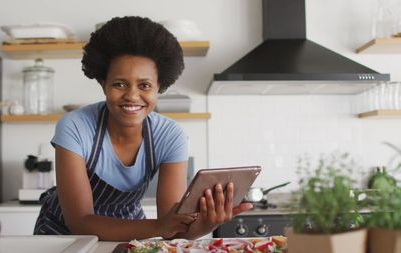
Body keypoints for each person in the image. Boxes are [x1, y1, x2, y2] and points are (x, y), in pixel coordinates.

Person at [33, 16, 252, 241]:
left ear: (159, 87)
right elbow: (81, 221)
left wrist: (206, 223)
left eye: (145, 85)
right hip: (62, 236)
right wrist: (158, 227)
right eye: (120, 84)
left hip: (131, 232)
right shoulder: (75, 127)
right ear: (103, 84)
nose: (132, 96)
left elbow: (173, 227)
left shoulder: (170, 136)